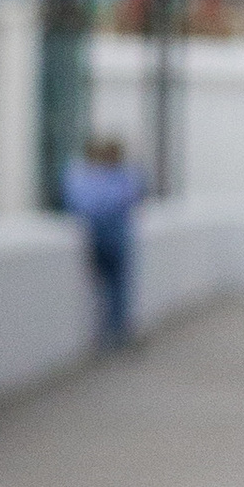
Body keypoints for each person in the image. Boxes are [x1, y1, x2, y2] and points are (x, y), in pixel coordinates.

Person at [61, 133, 145, 348]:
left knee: (116, 286)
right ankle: (109, 334)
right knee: (108, 286)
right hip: (103, 235)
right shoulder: (90, 175)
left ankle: (115, 333)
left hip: (111, 235)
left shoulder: (111, 176)